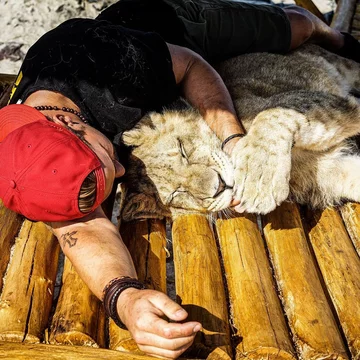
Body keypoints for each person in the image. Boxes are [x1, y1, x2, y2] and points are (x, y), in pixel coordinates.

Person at [0, 0, 359, 358]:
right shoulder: (28, 164)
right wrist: (126, 300)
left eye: (107, 157)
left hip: (175, 33)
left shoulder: (113, 64)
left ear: (70, 123)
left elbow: (192, 66)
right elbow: (80, 233)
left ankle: (337, 35)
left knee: (294, 27)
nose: (122, 170)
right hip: (149, 86)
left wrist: (233, 140)